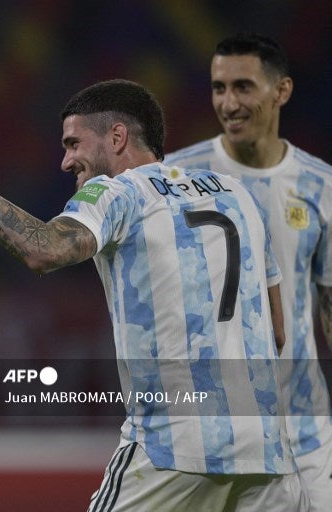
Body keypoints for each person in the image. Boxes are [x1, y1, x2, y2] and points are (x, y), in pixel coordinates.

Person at [0, 78, 308, 510]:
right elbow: (277, 332)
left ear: (117, 137)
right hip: (270, 453)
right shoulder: (238, 195)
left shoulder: (118, 192)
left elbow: (44, 250)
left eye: (74, 143)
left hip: (175, 449)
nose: (66, 161)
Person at [164, 32, 332, 511]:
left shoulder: (321, 186)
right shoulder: (177, 179)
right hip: (208, 426)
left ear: (282, 91)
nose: (228, 103)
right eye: (219, 88)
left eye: (243, 87)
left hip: (302, 423)